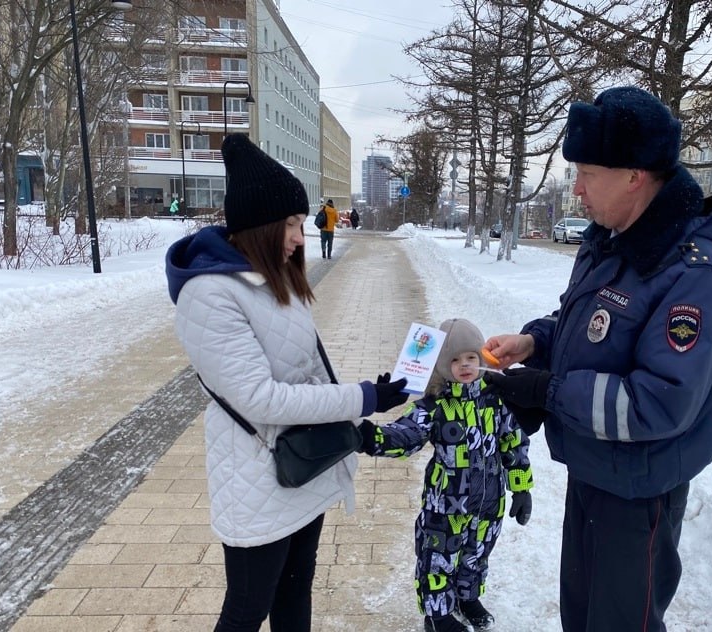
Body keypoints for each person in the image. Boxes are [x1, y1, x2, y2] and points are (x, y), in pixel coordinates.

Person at [482, 87, 712, 632]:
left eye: (587, 173)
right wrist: (536, 344)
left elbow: (658, 402)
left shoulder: (692, 273)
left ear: (634, 174)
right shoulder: (610, 239)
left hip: (639, 492)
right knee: (581, 617)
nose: (576, 188)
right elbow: (594, 332)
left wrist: (548, 393)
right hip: (595, 470)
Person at [164, 133, 409, 632]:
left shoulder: (274, 275)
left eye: (302, 223)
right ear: (262, 224)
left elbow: (308, 370)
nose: (302, 236)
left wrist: (356, 417)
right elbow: (259, 398)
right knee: (248, 607)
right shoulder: (210, 295)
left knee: (296, 591)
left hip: (303, 464)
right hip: (258, 473)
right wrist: (362, 397)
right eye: (294, 224)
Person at [359, 318, 534, 632]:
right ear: (441, 365)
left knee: (476, 554)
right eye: (454, 360)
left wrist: (521, 488)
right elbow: (406, 433)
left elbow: (513, 441)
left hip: (488, 500)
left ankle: (468, 598)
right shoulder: (435, 406)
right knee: (438, 557)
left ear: (481, 358)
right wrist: (373, 438)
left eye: (470, 357)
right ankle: (437, 614)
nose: (464, 365)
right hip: (446, 506)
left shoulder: (496, 398)